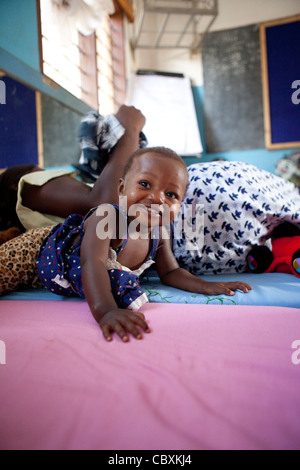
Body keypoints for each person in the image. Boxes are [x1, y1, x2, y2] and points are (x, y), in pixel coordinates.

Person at [0, 142, 252, 342]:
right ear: (121, 188)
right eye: (144, 184)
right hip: (39, 250)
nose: (157, 198)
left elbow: (172, 272)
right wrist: (106, 311)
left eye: (171, 194)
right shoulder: (107, 217)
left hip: (54, 278)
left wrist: (207, 286)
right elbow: (93, 264)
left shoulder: (159, 232)